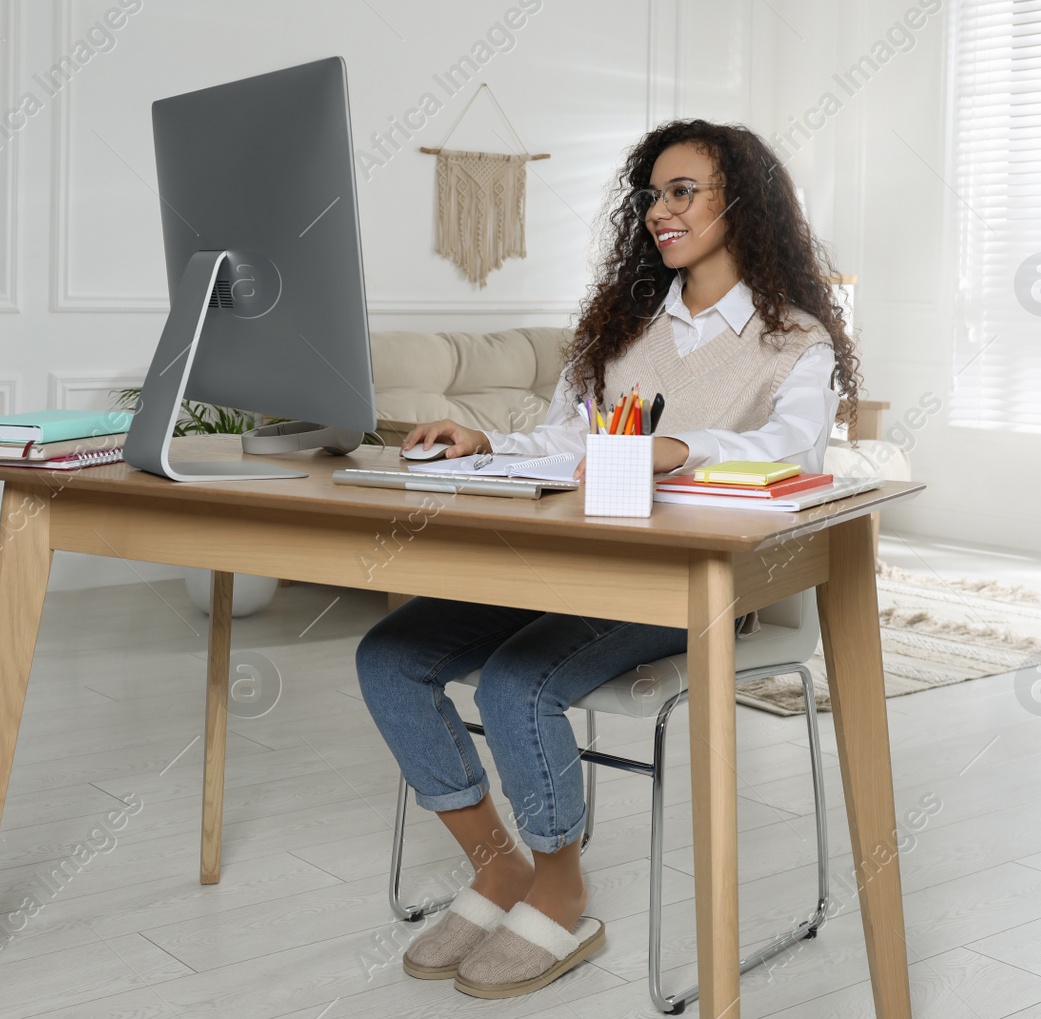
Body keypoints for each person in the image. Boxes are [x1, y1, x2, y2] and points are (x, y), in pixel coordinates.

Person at [353, 119, 862, 999]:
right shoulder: (623, 323)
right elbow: (566, 436)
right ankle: (498, 866)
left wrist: (679, 448)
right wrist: (486, 440)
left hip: (685, 584)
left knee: (519, 682)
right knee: (389, 657)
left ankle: (562, 888)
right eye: (651, 195)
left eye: (682, 192)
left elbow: (794, 450)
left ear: (743, 204)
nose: (660, 212)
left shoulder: (797, 341)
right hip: (563, 560)